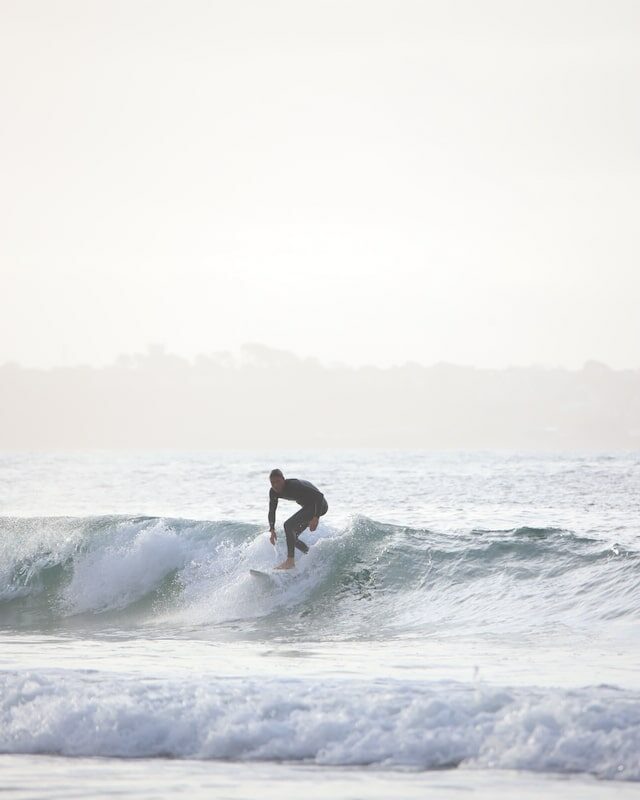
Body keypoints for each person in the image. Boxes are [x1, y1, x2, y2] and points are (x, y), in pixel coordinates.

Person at [268, 468, 328, 570]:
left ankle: (290, 561)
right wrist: (272, 529)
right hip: (308, 508)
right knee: (293, 537)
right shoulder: (273, 492)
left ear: (283, 479)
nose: (275, 485)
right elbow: (272, 510)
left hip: (319, 506)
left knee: (288, 525)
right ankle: (312, 557)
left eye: (278, 481)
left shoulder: (294, 485)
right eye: (272, 482)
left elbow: (319, 496)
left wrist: (315, 517)